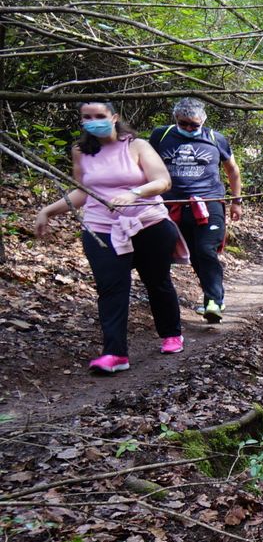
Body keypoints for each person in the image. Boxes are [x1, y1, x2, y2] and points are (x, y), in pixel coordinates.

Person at [34, 101, 185, 373]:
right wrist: (48, 211)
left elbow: (163, 181)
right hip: (101, 229)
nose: (93, 121)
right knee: (111, 288)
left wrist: (134, 194)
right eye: (87, 117)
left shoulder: (136, 146)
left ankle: (171, 333)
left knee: (157, 282)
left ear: (114, 117)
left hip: (148, 223)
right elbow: (82, 191)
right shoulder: (81, 151)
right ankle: (115, 354)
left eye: (99, 116)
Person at [149, 97, 243, 322]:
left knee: (206, 249)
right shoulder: (160, 136)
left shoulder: (214, 138)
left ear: (203, 120)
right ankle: (210, 296)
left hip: (209, 202)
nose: (190, 128)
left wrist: (236, 201)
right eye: (184, 124)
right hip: (172, 205)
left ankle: (214, 301)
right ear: (176, 119)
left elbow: (232, 170)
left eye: (195, 124)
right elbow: (144, 164)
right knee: (193, 255)